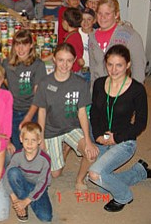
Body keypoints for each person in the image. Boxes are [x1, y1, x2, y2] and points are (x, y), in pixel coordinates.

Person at [89, 45, 151, 212]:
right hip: (102, 140)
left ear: (127, 65)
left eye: (119, 65)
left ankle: (124, 196)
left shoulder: (137, 90)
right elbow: (94, 113)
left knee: (95, 175)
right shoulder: (99, 84)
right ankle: (140, 172)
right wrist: (97, 135)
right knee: (102, 185)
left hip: (124, 141)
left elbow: (141, 123)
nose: (113, 69)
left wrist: (116, 138)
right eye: (110, 64)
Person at [33, 43, 99, 191]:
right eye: (61, 60)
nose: (64, 64)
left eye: (69, 60)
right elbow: (41, 112)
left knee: (91, 154)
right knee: (55, 174)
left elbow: (82, 113)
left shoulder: (81, 83)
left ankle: (80, 179)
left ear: (74, 60)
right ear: (54, 60)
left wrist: (88, 141)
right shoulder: (45, 83)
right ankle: (65, 148)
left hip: (72, 127)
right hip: (52, 130)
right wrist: (41, 138)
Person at [3, 30, 47, 151]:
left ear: (31, 45)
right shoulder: (6, 63)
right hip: (13, 110)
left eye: (25, 44)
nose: (21, 49)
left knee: (31, 146)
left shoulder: (38, 65)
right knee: (17, 147)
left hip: (31, 110)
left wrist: (28, 116)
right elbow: (4, 82)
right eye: (17, 45)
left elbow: (38, 95)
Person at [88, 0, 146, 87]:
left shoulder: (130, 35)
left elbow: (138, 66)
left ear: (116, 14)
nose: (103, 17)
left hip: (122, 88)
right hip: (101, 88)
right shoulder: (92, 37)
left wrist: (135, 91)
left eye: (107, 14)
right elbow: (93, 68)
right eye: (99, 13)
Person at [4, 122, 53, 222]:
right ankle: (23, 205)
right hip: (23, 184)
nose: (29, 144)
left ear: (39, 140)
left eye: (33, 140)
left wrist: (26, 201)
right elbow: (5, 177)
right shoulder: (17, 156)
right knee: (13, 172)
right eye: (26, 139)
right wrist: (15, 200)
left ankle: (28, 200)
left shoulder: (45, 159)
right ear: (21, 139)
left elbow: (43, 183)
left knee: (46, 217)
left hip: (38, 187)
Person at [62, 7, 84, 73]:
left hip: (74, 71)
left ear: (65, 22)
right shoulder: (73, 35)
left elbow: (80, 60)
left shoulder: (73, 38)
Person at [79, 8, 96, 82]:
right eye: (83, 19)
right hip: (79, 71)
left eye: (89, 19)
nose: (85, 22)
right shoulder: (75, 33)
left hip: (94, 71)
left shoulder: (98, 34)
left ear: (94, 20)